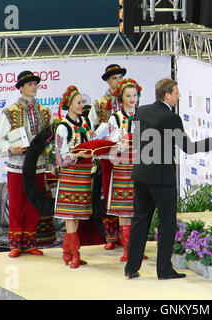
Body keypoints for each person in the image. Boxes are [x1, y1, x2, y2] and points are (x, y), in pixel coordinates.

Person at [124, 79, 212, 280]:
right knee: (166, 224)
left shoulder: (141, 111)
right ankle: (163, 270)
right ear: (167, 95)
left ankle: (131, 267)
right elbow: (188, 148)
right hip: (162, 178)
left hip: (140, 174)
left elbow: (137, 141)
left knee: (139, 220)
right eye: (176, 92)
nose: (179, 95)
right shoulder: (171, 118)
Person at [0, 70, 52, 258]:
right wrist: (12, 150)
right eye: (29, 84)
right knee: (17, 204)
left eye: (35, 84)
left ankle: (29, 243)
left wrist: (49, 151)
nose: (34, 87)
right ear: (21, 88)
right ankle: (15, 244)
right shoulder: (10, 112)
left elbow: (51, 139)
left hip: (38, 165)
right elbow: (0, 142)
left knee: (34, 204)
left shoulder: (45, 112)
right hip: (17, 166)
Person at [54, 85, 96, 268]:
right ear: (69, 105)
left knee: (77, 216)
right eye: (78, 102)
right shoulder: (62, 127)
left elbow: (93, 144)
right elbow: (61, 159)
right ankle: (75, 254)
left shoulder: (86, 123)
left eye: (83, 102)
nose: (82, 105)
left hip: (84, 175)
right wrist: (78, 155)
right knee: (71, 216)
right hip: (71, 175)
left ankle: (67, 252)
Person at [106, 78, 148, 262]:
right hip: (123, 166)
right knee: (124, 209)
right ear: (121, 97)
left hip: (140, 164)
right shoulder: (115, 118)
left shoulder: (144, 115)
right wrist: (123, 143)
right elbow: (111, 144)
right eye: (128, 95)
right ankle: (127, 250)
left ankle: (137, 248)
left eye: (134, 95)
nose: (132, 99)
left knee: (139, 207)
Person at [89, 64, 127, 250]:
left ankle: (125, 236)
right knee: (108, 192)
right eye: (115, 78)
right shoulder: (98, 104)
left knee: (126, 194)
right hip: (107, 158)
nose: (118, 81)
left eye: (120, 77)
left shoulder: (129, 102)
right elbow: (92, 132)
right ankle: (111, 236)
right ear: (107, 81)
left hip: (127, 158)